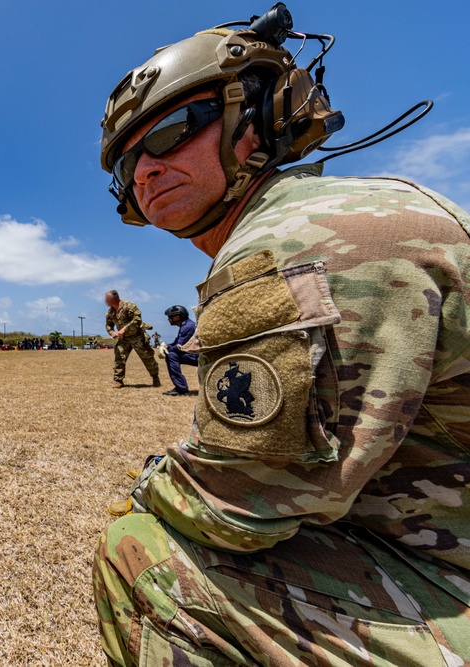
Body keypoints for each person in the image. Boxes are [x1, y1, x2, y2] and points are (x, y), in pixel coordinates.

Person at [91, 6, 470, 666]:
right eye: (128, 169)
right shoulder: (334, 213)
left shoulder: (291, 245)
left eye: (172, 132)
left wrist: (151, 484)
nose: (146, 171)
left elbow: (231, 505)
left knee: (138, 558)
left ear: (256, 119)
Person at [104, 290, 160, 388]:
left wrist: (124, 329)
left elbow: (137, 320)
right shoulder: (110, 312)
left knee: (147, 357)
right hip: (123, 339)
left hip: (137, 336)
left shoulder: (129, 306)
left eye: (107, 299)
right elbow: (109, 325)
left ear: (114, 298)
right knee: (119, 357)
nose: (105, 301)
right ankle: (119, 380)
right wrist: (112, 332)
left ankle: (155, 377)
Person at [161, 305, 198, 397]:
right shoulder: (186, 325)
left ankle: (181, 388)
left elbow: (180, 347)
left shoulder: (187, 327)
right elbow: (176, 343)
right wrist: (166, 346)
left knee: (171, 355)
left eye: (170, 317)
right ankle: (180, 387)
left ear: (177, 317)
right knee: (171, 353)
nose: (168, 319)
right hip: (196, 354)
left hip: (197, 356)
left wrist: (166, 349)